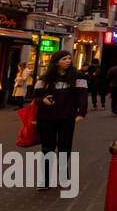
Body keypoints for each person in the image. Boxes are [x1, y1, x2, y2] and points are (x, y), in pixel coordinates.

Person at [28, 50, 88, 191]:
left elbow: (82, 96)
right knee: (47, 149)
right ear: (56, 62)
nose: (68, 61)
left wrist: (82, 112)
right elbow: (35, 98)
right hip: (46, 118)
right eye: (64, 59)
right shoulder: (45, 78)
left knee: (64, 147)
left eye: (69, 58)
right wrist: (42, 100)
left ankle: (63, 176)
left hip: (66, 117)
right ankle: (45, 180)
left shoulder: (77, 76)